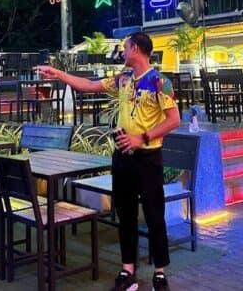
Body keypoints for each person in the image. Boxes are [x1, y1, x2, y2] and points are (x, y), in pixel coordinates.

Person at [36, 32, 180, 291]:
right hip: (122, 158)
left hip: (148, 158)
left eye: (124, 48)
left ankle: (159, 271)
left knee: (154, 215)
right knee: (124, 215)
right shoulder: (123, 79)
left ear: (135, 49)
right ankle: (127, 270)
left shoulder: (160, 82)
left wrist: (141, 138)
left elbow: (173, 120)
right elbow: (89, 86)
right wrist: (58, 74)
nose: (122, 53)